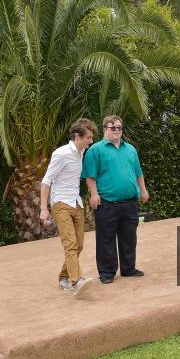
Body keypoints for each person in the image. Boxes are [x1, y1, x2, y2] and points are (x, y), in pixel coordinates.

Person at [82, 115, 149, 284]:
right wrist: (94, 194)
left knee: (129, 238)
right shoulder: (95, 150)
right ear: (105, 129)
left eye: (119, 127)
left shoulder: (131, 149)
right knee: (106, 239)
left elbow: (138, 172)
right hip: (106, 203)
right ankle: (106, 272)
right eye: (113, 127)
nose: (117, 130)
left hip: (129, 202)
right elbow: (90, 176)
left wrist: (143, 190)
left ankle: (128, 269)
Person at [40, 118, 97, 295]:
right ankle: (76, 280)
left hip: (76, 203)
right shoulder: (61, 153)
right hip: (60, 204)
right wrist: (43, 208)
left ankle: (64, 277)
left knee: (79, 245)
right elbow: (46, 181)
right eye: (88, 137)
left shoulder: (81, 153)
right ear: (76, 136)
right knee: (70, 243)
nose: (91, 141)